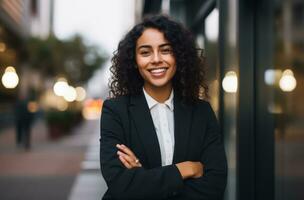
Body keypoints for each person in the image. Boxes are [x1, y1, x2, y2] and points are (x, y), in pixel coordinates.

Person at [100, 15, 227, 200]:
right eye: (145, 52)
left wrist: (143, 179)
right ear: (135, 60)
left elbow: (214, 186)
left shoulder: (202, 112)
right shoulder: (115, 111)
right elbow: (120, 184)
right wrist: (185, 169)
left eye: (166, 50)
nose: (156, 59)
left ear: (179, 56)